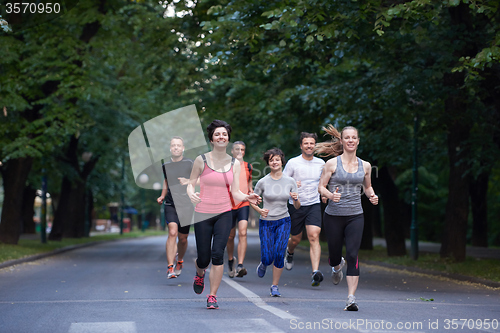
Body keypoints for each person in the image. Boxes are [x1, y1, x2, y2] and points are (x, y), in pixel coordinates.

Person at [187, 120, 261, 310]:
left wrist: (247, 196)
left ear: (228, 138)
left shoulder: (235, 163)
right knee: (204, 259)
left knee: (217, 255)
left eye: (225, 134)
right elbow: (191, 182)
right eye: (218, 134)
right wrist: (190, 193)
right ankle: (199, 272)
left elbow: (235, 192)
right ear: (211, 138)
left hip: (224, 213)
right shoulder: (200, 160)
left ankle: (212, 296)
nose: (221, 137)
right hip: (203, 213)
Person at [317, 125, 378, 311]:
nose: (351, 140)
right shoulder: (332, 164)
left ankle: (351, 298)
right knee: (335, 255)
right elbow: (321, 187)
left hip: (355, 215)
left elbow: (367, 187)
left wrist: (372, 196)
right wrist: (329, 195)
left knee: (353, 254)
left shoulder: (365, 165)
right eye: (347, 138)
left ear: (358, 141)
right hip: (333, 216)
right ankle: (336, 266)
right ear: (342, 141)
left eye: (354, 137)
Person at [251, 148, 300, 297]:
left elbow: (297, 206)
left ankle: (274, 286)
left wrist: (296, 199)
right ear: (268, 163)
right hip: (266, 222)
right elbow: (251, 201)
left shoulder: (290, 181)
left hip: (283, 221)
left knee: (279, 253)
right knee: (267, 256)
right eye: (271, 160)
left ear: (282, 161)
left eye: (277, 159)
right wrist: (259, 211)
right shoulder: (262, 181)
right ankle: (264, 263)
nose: (274, 162)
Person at [283, 132, 326, 287]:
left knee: (314, 236)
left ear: (315, 145)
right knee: (295, 239)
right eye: (306, 143)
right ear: (301, 145)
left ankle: (315, 272)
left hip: (313, 204)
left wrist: (326, 194)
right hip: (296, 204)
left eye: (312, 143)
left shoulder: (321, 164)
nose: (309, 146)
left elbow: (324, 182)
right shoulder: (293, 163)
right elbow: (282, 183)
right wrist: (292, 186)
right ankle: (290, 252)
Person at [156, 136, 194, 279]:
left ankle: (179, 261)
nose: (176, 147)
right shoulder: (165, 165)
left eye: (179, 145)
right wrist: (162, 195)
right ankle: (170, 267)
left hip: (186, 205)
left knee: (183, 239)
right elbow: (166, 182)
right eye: (173, 145)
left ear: (183, 148)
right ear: (170, 148)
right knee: (172, 232)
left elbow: (199, 180)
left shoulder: (190, 163)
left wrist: (188, 181)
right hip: (171, 203)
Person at [226, 141, 253, 278]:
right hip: (229, 204)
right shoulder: (226, 166)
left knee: (243, 232)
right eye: (237, 149)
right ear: (232, 151)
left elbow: (249, 183)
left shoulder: (248, 166)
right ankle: (231, 260)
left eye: (242, 150)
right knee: (230, 236)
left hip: (243, 203)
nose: (239, 152)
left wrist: (251, 192)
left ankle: (240, 265)